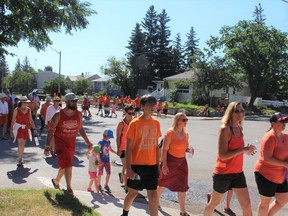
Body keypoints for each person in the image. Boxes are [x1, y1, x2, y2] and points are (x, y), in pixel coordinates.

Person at [204, 101, 256, 216]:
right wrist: (243, 149)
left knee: (247, 205)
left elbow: (237, 150)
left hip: (237, 173)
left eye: (242, 110)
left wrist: (247, 150)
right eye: (236, 111)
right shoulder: (225, 129)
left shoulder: (240, 129)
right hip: (223, 174)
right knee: (213, 203)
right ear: (230, 113)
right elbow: (223, 155)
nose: (240, 113)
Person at [43, 93, 92, 196]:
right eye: (72, 101)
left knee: (65, 165)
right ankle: (69, 188)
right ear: (66, 102)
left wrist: (88, 142)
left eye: (76, 101)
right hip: (60, 143)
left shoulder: (78, 114)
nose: (75, 103)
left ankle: (56, 181)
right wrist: (48, 146)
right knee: (68, 163)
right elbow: (51, 130)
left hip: (71, 143)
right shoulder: (58, 115)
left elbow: (80, 128)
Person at [122, 95, 161, 216]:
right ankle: (124, 213)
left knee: (153, 194)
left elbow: (156, 146)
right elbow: (128, 148)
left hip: (152, 165)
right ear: (142, 106)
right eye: (149, 105)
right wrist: (128, 169)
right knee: (133, 192)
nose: (152, 107)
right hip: (137, 165)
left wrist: (158, 165)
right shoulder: (135, 123)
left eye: (154, 105)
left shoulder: (156, 123)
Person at [157, 113, 193, 216]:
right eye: (183, 120)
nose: (185, 121)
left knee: (182, 186)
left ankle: (182, 211)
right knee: (164, 184)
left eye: (186, 119)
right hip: (170, 161)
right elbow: (164, 150)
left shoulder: (186, 133)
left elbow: (184, 147)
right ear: (177, 121)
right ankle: (155, 201)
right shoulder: (170, 133)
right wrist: (164, 165)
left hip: (182, 162)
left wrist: (189, 150)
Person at [254, 112, 288, 215]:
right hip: (265, 174)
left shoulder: (286, 137)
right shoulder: (269, 137)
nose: (284, 123)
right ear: (273, 123)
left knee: (283, 199)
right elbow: (267, 158)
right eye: (281, 121)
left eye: (284, 121)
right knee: (265, 202)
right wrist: (285, 164)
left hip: (280, 175)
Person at [10, 96, 37, 166]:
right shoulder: (16, 110)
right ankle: (19, 159)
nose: (26, 103)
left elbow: (31, 120)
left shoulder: (28, 110)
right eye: (24, 102)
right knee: (20, 144)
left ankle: (21, 158)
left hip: (25, 128)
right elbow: (13, 120)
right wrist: (11, 130)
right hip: (18, 128)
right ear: (21, 103)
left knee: (23, 144)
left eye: (26, 102)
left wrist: (34, 129)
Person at [116, 105, 134, 193]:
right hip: (123, 148)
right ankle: (126, 185)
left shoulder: (134, 122)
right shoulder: (121, 124)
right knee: (126, 166)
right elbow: (118, 137)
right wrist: (118, 148)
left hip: (132, 148)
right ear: (125, 113)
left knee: (127, 166)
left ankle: (122, 176)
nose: (131, 115)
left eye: (132, 113)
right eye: (129, 113)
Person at [97, 128, 117, 193]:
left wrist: (116, 152)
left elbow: (110, 149)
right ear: (105, 136)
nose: (110, 138)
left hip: (107, 160)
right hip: (101, 161)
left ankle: (106, 185)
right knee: (100, 173)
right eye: (109, 137)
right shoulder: (100, 142)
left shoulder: (108, 142)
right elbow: (97, 151)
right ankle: (99, 185)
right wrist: (99, 160)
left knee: (108, 173)